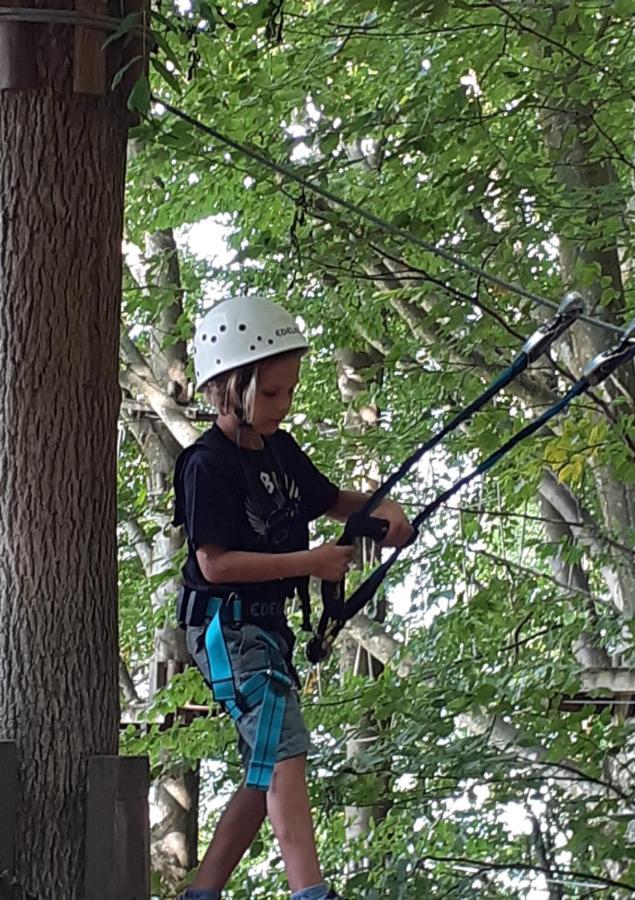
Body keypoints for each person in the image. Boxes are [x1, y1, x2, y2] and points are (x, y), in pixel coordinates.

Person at [173, 295, 413, 900]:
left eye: (289, 391)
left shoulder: (280, 451)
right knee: (284, 751)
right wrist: (309, 563)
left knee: (264, 771)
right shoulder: (206, 464)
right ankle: (310, 891)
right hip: (225, 626)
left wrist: (382, 512)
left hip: (264, 630)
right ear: (230, 388)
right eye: (273, 394)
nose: (286, 405)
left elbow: (333, 500)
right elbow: (215, 561)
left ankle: (201, 893)